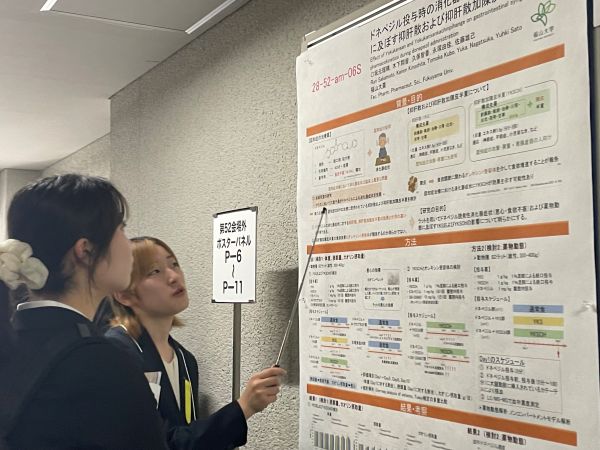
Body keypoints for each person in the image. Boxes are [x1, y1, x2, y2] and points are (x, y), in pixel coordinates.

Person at [0, 174, 167, 449]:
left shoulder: (11, 342)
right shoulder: (104, 364)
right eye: (121, 229)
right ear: (85, 251)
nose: (129, 245)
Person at [106, 236, 285, 450]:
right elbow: (163, 443)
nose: (173, 277)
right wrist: (244, 406)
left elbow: (190, 437)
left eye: (174, 264)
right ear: (124, 294)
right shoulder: (115, 354)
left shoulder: (185, 360)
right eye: (155, 271)